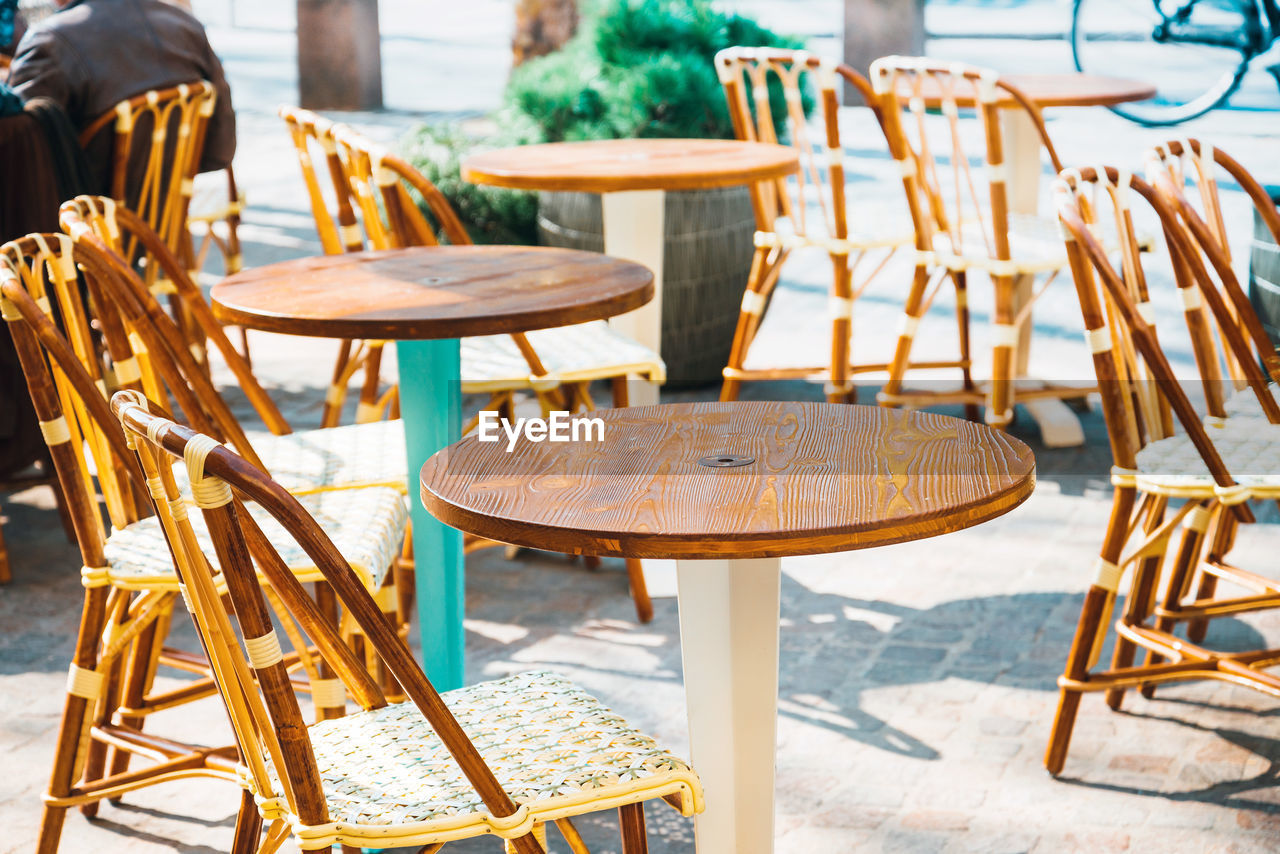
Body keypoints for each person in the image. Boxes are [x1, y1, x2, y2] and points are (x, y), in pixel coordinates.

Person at [6, 0, 235, 195]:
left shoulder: (50, 40)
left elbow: (17, 160)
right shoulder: (187, 27)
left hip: (81, 230)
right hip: (161, 229)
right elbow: (220, 152)